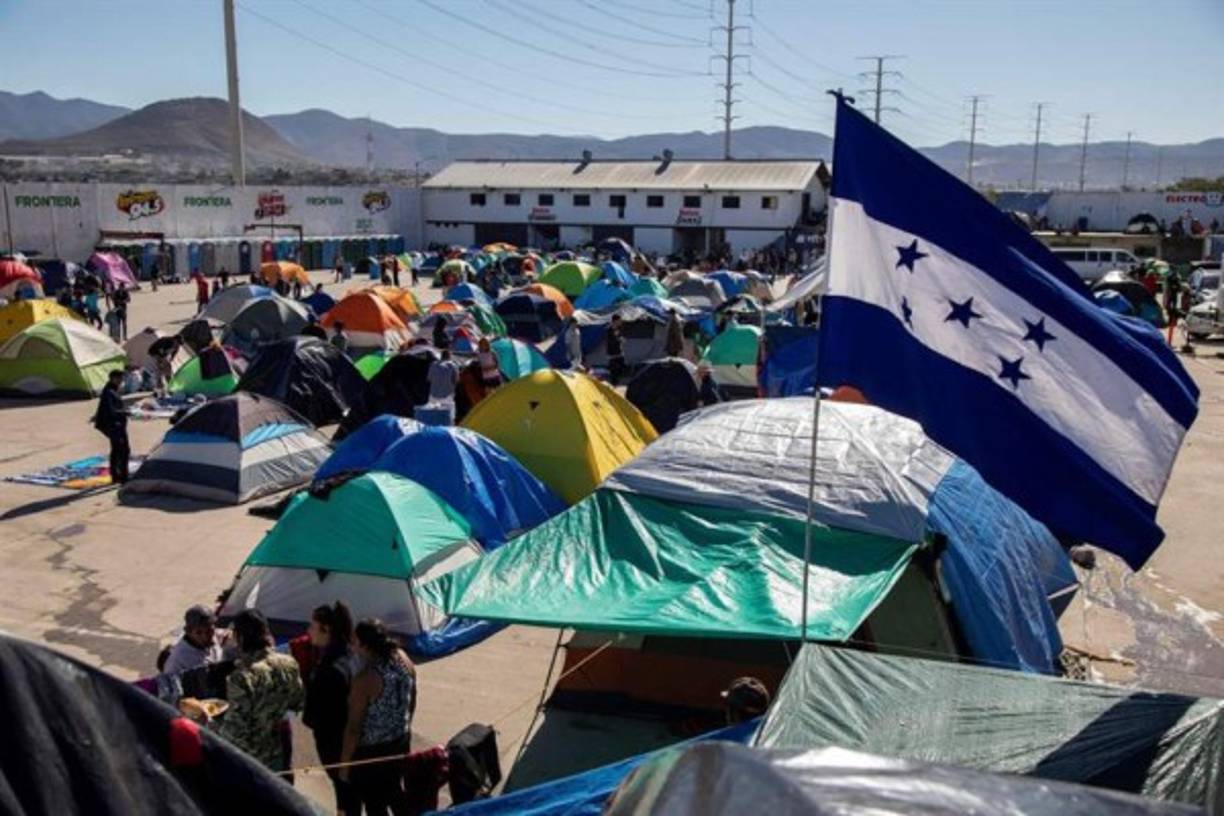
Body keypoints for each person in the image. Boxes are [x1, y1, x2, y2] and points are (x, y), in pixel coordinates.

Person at [340, 619, 416, 816]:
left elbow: (354, 728)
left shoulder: (366, 679)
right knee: (395, 792)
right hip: (400, 741)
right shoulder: (403, 659)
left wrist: (345, 765)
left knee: (375, 802)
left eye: (355, 641)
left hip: (373, 752)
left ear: (365, 645)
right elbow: (412, 697)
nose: (352, 645)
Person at [219, 609, 304, 772]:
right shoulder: (289, 663)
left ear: (240, 638)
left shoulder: (242, 677)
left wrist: (208, 722)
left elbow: (235, 732)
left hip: (249, 761)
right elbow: (297, 702)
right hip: (276, 752)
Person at [303, 602, 360, 816]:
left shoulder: (330, 668)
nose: (309, 631)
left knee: (344, 792)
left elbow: (316, 715)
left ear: (326, 630)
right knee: (349, 792)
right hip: (351, 739)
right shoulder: (351, 655)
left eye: (313, 626)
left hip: (334, 742)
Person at [162, 605, 225, 676]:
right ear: (188, 632)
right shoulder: (177, 661)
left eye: (209, 630)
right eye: (199, 633)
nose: (205, 636)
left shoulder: (214, 636)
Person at [93, 370, 130, 484]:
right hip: (114, 425)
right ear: (113, 378)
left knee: (116, 449)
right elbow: (111, 410)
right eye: (119, 379)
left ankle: (116, 475)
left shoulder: (111, 390)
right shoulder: (109, 392)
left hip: (115, 424)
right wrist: (126, 412)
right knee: (123, 450)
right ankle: (122, 476)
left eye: (121, 379)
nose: (121, 381)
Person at [605, 314, 625, 385]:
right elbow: (610, 341)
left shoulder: (619, 329)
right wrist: (618, 340)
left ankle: (616, 383)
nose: (621, 322)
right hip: (612, 353)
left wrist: (622, 339)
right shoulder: (609, 329)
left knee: (621, 369)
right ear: (615, 321)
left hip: (620, 352)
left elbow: (620, 337)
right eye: (619, 320)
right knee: (614, 372)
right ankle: (614, 385)